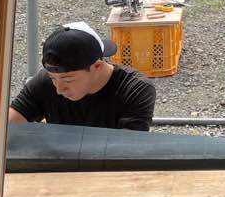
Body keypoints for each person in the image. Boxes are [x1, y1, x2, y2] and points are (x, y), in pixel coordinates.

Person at [8, 21, 156, 131]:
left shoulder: (134, 89)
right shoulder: (45, 82)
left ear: (97, 66)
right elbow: (6, 127)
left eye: (68, 80)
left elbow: (128, 150)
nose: (59, 89)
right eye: (53, 78)